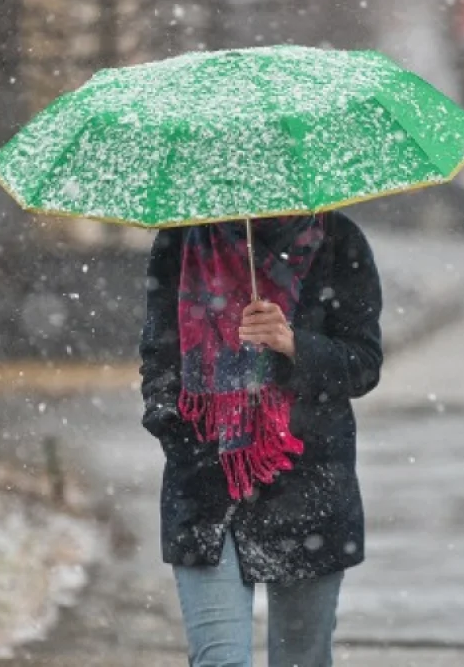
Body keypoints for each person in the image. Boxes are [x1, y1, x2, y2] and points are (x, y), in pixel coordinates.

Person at [139, 212, 383, 667]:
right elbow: (159, 358)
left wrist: (293, 344)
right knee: (219, 661)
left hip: (307, 482)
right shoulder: (182, 240)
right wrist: (178, 426)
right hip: (207, 487)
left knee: (301, 660)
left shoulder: (338, 240)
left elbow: (363, 363)